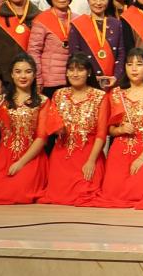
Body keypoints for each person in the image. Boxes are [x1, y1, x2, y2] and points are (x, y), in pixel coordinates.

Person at [0, 55, 48, 204]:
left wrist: (21, 163)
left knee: (18, 193)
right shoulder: (0, 100)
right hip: (4, 157)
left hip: (31, 157)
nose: (23, 76)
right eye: (18, 72)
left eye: (28, 71)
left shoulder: (43, 101)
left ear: (34, 74)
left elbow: (41, 139)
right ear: (11, 74)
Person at [98, 48, 143, 207]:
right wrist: (120, 130)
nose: (134, 69)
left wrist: (142, 158)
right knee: (113, 194)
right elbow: (110, 129)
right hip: (120, 150)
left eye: (139, 64)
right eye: (129, 64)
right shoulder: (116, 93)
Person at [37, 55, 107, 206]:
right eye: (71, 70)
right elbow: (51, 124)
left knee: (86, 193)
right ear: (66, 72)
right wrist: (56, 129)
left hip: (89, 154)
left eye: (80, 70)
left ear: (89, 72)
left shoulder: (100, 96)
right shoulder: (58, 94)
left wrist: (91, 161)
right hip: (62, 155)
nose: (75, 74)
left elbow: (101, 135)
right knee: (57, 196)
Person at [70, 0, 129, 92]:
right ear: (88, 0)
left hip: (112, 82)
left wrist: (116, 76)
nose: (98, 3)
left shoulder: (116, 24)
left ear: (108, 0)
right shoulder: (78, 24)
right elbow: (75, 55)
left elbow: (121, 54)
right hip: (86, 82)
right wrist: (88, 76)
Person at [29, 0, 77, 95]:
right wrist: (38, 79)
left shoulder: (78, 19)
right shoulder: (41, 19)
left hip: (74, 78)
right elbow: (33, 51)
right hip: (49, 81)